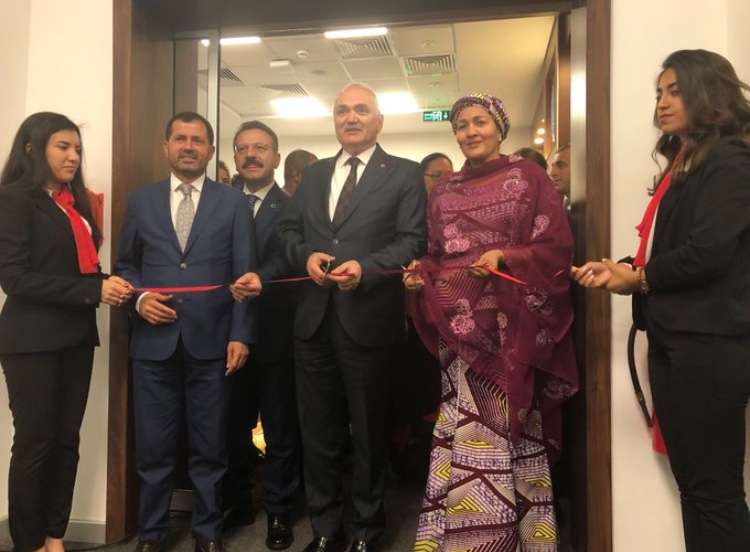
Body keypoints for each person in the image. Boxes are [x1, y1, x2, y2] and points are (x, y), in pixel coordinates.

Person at [571, 49, 750, 552]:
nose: (662, 103)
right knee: (692, 487)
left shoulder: (732, 159)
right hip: (677, 338)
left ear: (708, 92)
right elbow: (669, 248)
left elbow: (707, 254)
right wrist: (623, 268)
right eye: (659, 93)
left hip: (709, 344)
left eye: (675, 91)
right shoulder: (686, 162)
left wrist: (639, 279)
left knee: (714, 493)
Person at [404, 92, 578, 551]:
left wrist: (505, 256)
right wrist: (421, 273)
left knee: (506, 432)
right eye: (461, 125)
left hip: (511, 333)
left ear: (499, 128)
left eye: (479, 122)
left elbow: (556, 249)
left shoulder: (528, 177)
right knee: (462, 429)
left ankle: (518, 540)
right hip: (459, 335)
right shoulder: (443, 189)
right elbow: (436, 253)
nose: (470, 132)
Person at [275, 83, 427, 552]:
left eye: (362, 110)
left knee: (368, 433)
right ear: (334, 121)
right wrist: (304, 256)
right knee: (318, 432)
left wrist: (367, 268)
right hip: (313, 323)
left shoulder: (403, 173)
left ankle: (366, 528)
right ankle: (325, 528)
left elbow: (412, 240)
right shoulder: (315, 174)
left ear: (379, 121)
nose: (351, 117)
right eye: (342, 110)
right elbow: (286, 230)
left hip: (369, 321)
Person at [114, 111, 261, 552]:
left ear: (211, 149)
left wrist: (241, 334)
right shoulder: (141, 201)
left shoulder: (233, 203)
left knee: (210, 446)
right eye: (180, 138)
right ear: (166, 147)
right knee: (154, 448)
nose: (189, 146)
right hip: (153, 345)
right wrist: (139, 298)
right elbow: (125, 266)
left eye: (198, 140)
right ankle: (152, 533)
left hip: (213, 343)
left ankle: (208, 532)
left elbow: (246, 275)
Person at [0, 112, 132, 552]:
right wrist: (93, 291)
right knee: (35, 442)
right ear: (32, 148)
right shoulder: (13, 199)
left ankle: (54, 537)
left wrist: (115, 286)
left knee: (66, 441)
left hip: (76, 337)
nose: (73, 156)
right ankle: (27, 543)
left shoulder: (72, 206)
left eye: (77, 148)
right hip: (31, 341)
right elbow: (15, 279)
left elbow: (79, 272)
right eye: (63, 146)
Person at [225, 120, 301, 550]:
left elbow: (290, 258)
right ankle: (237, 502)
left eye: (260, 148)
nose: (251, 155)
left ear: (276, 156)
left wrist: (262, 278)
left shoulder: (292, 206)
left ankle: (278, 509)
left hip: (275, 334)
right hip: (226, 335)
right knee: (231, 426)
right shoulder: (220, 203)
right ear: (234, 156)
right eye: (243, 148)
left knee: (279, 430)